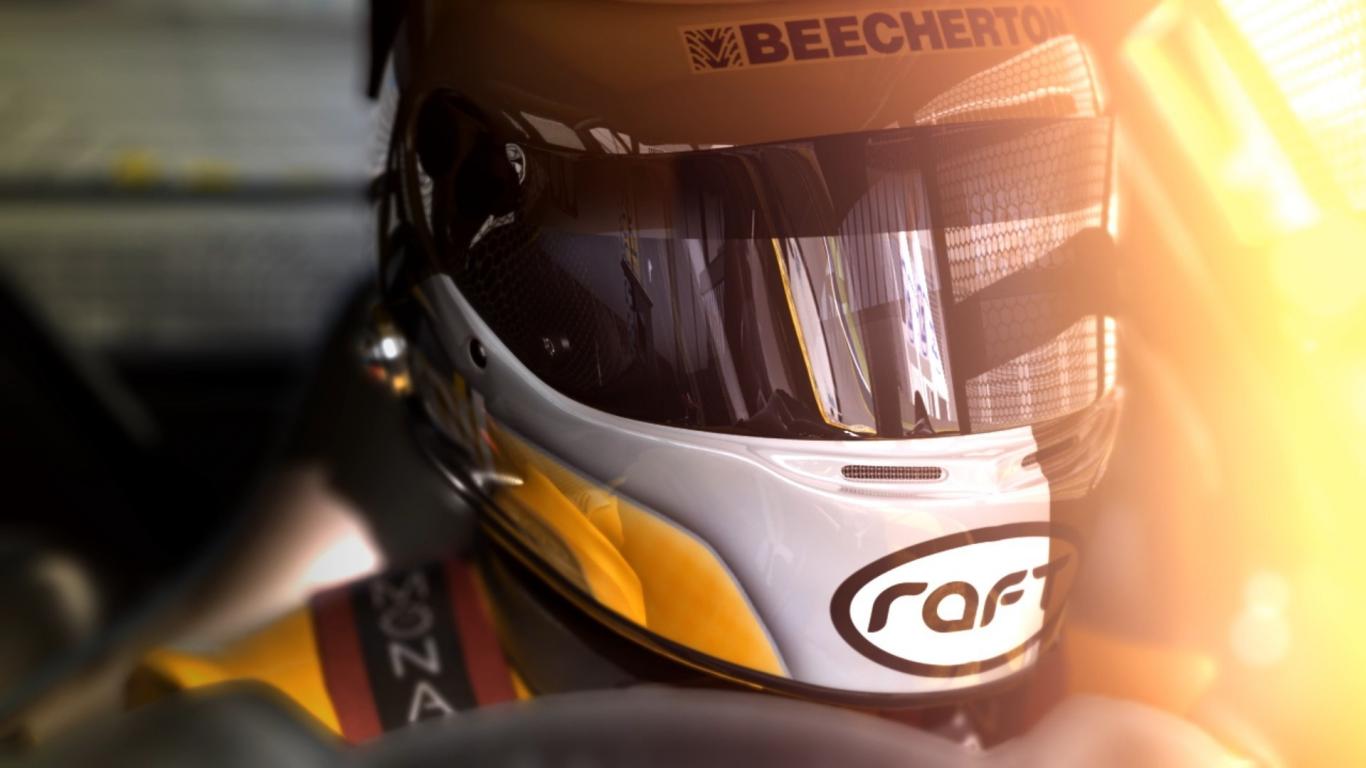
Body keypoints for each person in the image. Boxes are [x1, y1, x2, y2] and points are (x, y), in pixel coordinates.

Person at [131, 2, 1248, 762]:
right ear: (501, 274)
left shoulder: (1107, 704)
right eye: (746, 276)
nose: (915, 369)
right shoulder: (281, 725)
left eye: (962, 254)